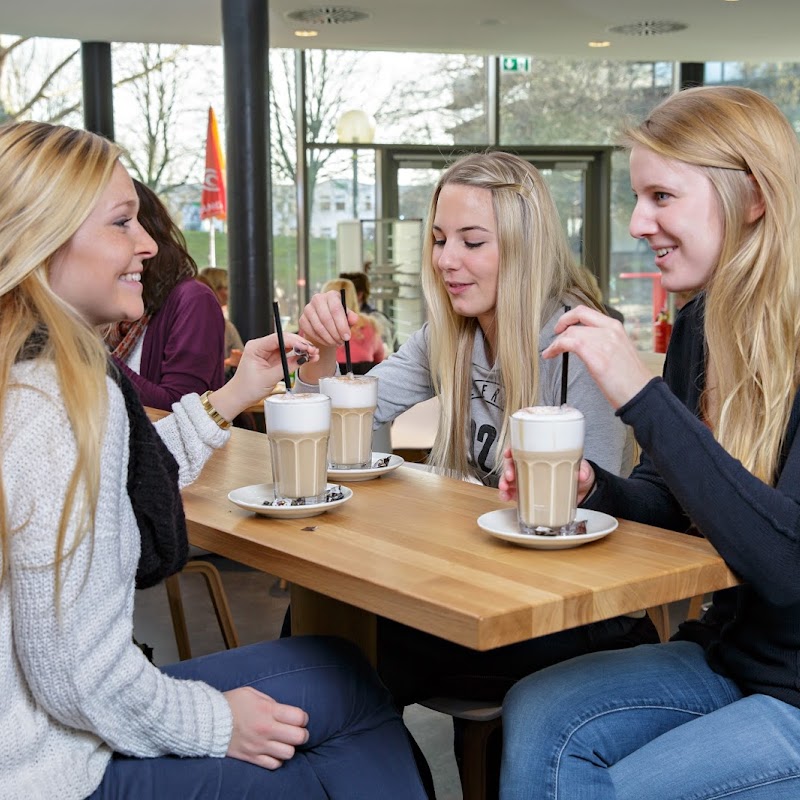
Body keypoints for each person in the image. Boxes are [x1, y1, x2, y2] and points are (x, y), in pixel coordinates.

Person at [0, 120, 428, 800]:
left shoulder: (39, 377)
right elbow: (76, 674)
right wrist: (214, 722)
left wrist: (230, 396)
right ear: (42, 238)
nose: (148, 244)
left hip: (43, 730)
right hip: (49, 767)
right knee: (338, 721)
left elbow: (110, 487)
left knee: (344, 670)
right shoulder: (48, 403)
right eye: (122, 223)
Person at [297, 152, 657, 787]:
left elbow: (591, 504)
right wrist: (323, 361)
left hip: (569, 615)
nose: (445, 259)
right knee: (324, 628)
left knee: (342, 648)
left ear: (521, 246)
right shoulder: (452, 331)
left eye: (471, 241)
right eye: (438, 239)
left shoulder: (576, 339)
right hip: (480, 589)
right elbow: (351, 418)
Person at [498, 86, 800, 800]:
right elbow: (674, 500)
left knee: (622, 789)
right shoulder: (701, 326)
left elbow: (787, 566)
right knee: (536, 711)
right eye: (639, 197)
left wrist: (640, 396)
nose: (638, 222)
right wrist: (593, 488)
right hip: (734, 654)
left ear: (752, 196)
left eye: (661, 196)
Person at [106, 181, 225, 411]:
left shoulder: (193, 300)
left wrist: (94, 357)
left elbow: (182, 408)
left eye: (124, 223)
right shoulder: (117, 305)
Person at [321, 277, 385, 373]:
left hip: (325, 382)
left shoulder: (314, 327)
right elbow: (379, 359)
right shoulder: (370, 325)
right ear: (354, 297)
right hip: (363, 382)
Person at [198, 265, 245, 371]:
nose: (229, 294)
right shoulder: (224, 326)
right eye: (227, 288)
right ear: (215, 290)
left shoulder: (226, 326)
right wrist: (229, 362)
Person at [340, 268, 397, 352]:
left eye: (342, 294)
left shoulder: (376, 320)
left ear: (359, 295)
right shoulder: (341, 320)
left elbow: (388, 352)